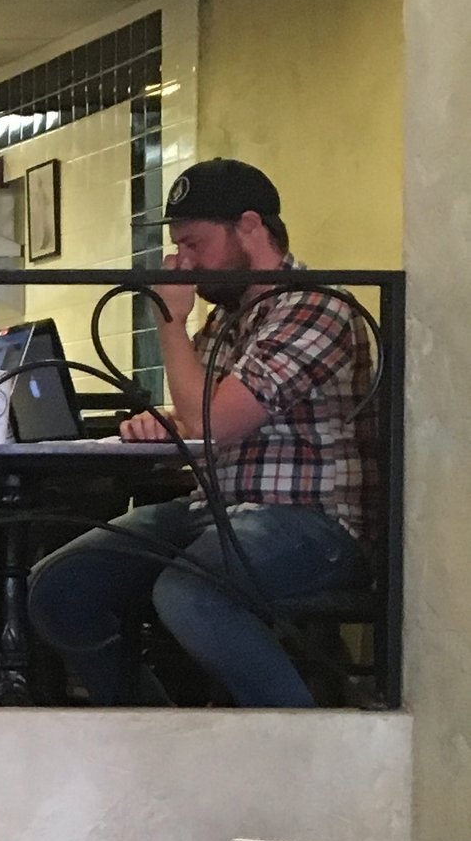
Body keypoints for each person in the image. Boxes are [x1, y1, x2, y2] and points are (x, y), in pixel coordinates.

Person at [25, 159, 373, 708]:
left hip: (311, 524)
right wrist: (160, 424)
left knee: (193, 591)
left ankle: (302, 749)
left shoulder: (316, 308)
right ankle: (156, 738)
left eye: (194, 244)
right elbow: (200, 416)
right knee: (60, 585)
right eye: (177, 247)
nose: (181, 262)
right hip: (214, 507)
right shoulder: (226, 320)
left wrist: (168, 321)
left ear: (251, 227)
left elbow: (212, 424)